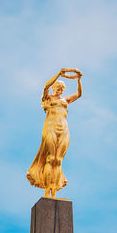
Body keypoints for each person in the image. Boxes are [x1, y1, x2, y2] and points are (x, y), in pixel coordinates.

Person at [26, 68, 83, 198]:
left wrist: (78, 80)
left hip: (63, 129)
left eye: (62, 88)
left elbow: (79, 94)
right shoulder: (47, 98)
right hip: (50, 127)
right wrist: (59, 74)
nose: (60, 90)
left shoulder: (65, 101)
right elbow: (46, 86)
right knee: (50, 159)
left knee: (58, 161)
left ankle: (54, 193)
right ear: (54, 88)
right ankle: (47, 192)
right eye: (58, 87)